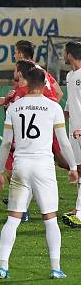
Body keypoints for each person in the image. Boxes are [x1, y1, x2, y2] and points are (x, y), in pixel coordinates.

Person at [0, 62, 78, 280]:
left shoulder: (14, 107)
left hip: (21, 165)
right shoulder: (53, 107)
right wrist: (72, 167)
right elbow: (63, 142)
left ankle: (3, 266)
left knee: (12, 219)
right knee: (50, 219)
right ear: (44, 83)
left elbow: (5, 144)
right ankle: (55, 268)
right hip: (43, 167)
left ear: (27, 83)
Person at [62, 41, 81, 228]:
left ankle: (80, 213)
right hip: (73, 130)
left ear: (69, 54)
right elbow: (71, 101)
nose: (62, 55)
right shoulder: (69, 75)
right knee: (79, 169)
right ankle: (78, 208)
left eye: (64, 52)